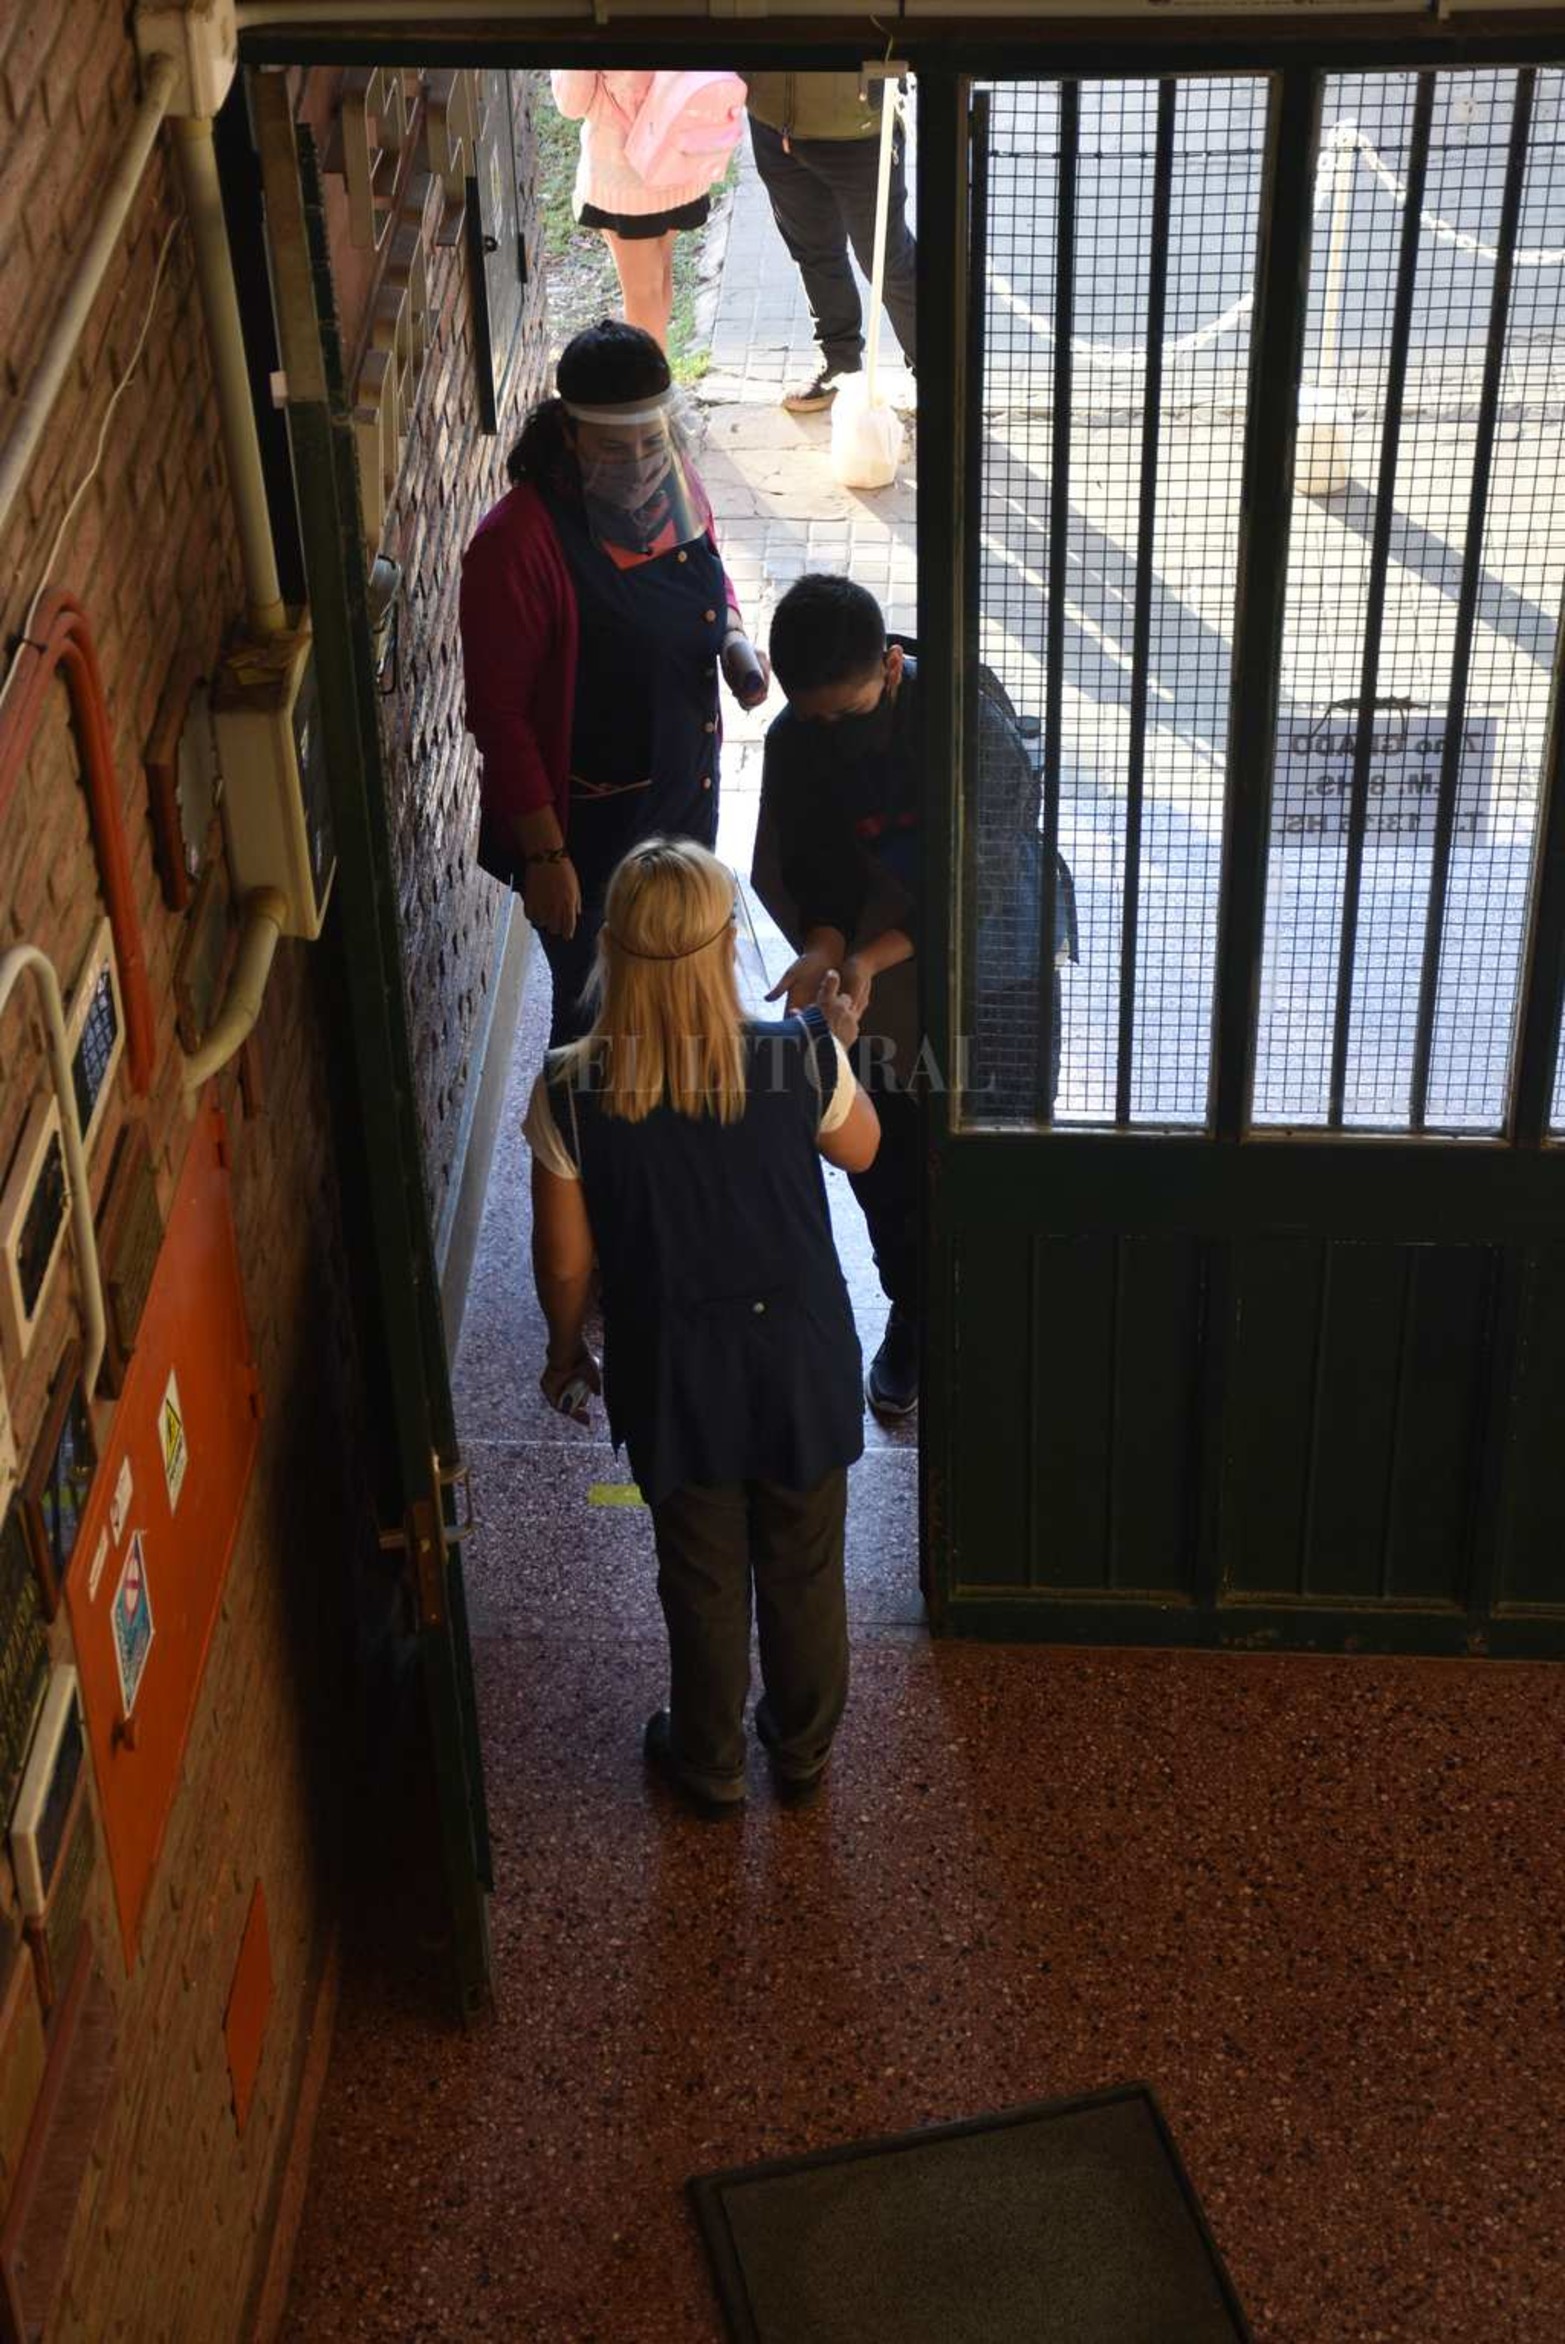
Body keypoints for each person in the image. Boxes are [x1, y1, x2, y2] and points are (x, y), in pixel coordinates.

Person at [524, 838, 880, 1819]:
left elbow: (562, 1261)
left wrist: (566, 1352)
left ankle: (709, 1754)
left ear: (610, 947)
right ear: (726, 948)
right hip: (798, 1358)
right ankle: (801, 1749)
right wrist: (836, 1040)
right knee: (804, 1566)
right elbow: (863, 1149)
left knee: (700, 1571)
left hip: (672, 1368)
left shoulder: (568, 1087)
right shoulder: (794, 1051)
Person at [755, 575, 1076, 1420]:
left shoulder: (967, 724)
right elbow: (809, 865)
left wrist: (865, 953)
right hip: (875, 970)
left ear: (890, 667)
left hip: (992, 950)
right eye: (812, 714)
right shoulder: (797, 738)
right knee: (886, 1150)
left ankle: (1000, 1311)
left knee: (998, 1129)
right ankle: (917, 1308)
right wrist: (826, 949)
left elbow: (980, 881)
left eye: (845, 712)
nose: (827, 729)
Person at [460, 320, 769, 1046]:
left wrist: (730, 636)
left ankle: (668, 1135)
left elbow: (708, 569)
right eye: (613, 446)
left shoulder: (674, 481)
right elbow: (499, 717)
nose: (638, 464)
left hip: (681, 792)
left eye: (652, 441)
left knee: (680, 980)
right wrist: (545, 855)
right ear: (569, 434)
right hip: (586, 833)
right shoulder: (516, 544)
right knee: (594, 1013)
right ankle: (587, 1154)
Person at [742, 71, 917, 413]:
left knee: (887, 261)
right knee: (814, 251)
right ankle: (839, 363)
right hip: (771, 124)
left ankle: (937, 374)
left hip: (858, 129)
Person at [549, 71, 728, 350]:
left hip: (625, 176)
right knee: (657, 277)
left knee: (641, 292)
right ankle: (661, 376)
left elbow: (572, 102)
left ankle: (651, 387)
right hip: (678, 161)